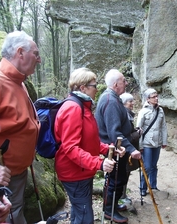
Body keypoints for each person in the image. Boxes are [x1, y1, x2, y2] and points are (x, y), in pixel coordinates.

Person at [54, 67, 118, 224]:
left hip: (82, 171)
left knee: (79, 213)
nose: (97, 89)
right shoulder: (73, 108)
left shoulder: (84, 107)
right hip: (74, 173)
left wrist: (109, 150)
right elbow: (70, 148)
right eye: (94, 85)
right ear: (82, 87)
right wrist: (99, 163)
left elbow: (90, 142)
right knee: (85, 218)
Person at [0, 30, 41, 223]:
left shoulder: (19, 82)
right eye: (36, 54)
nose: (38, 60)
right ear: (20, 52)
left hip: (17, 174)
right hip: (0, 177)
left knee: (15, 214)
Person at [95, 69, 141, 223]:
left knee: (119, 179)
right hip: (114, 150)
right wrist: (131, 149)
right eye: (123, 80)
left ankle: (113, 205)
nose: (126, 83)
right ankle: (109, 211)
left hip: (117, 149)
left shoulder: (113, 98)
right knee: (114, 180)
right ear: (116, 84)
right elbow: (115, 133)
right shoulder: (110, 101)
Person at [136, 88, 168, 196]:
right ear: (148, 99)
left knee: (154, 165)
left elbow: (163, 127)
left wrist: (164, 141)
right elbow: (138, 130)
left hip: (157, 142)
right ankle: (143, 187)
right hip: (146, 143)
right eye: (153, 97)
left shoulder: (161, 110)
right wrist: (140, 145)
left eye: (156, 96)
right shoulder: (143, 112)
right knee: (147, 166)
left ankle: (153, 186)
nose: (156, 98)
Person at [119, 93, 142, 206]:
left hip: (127, 150)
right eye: (130, 101)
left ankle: (122, 195)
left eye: (133, 101)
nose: (133, 103)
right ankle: (121, 196)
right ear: (124, 103)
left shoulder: (127, 115)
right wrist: (137, 134)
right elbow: (125, 135)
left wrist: (135, 131)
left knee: (125, 173)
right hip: (125, 151)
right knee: (124, 173)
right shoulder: (124, 116)